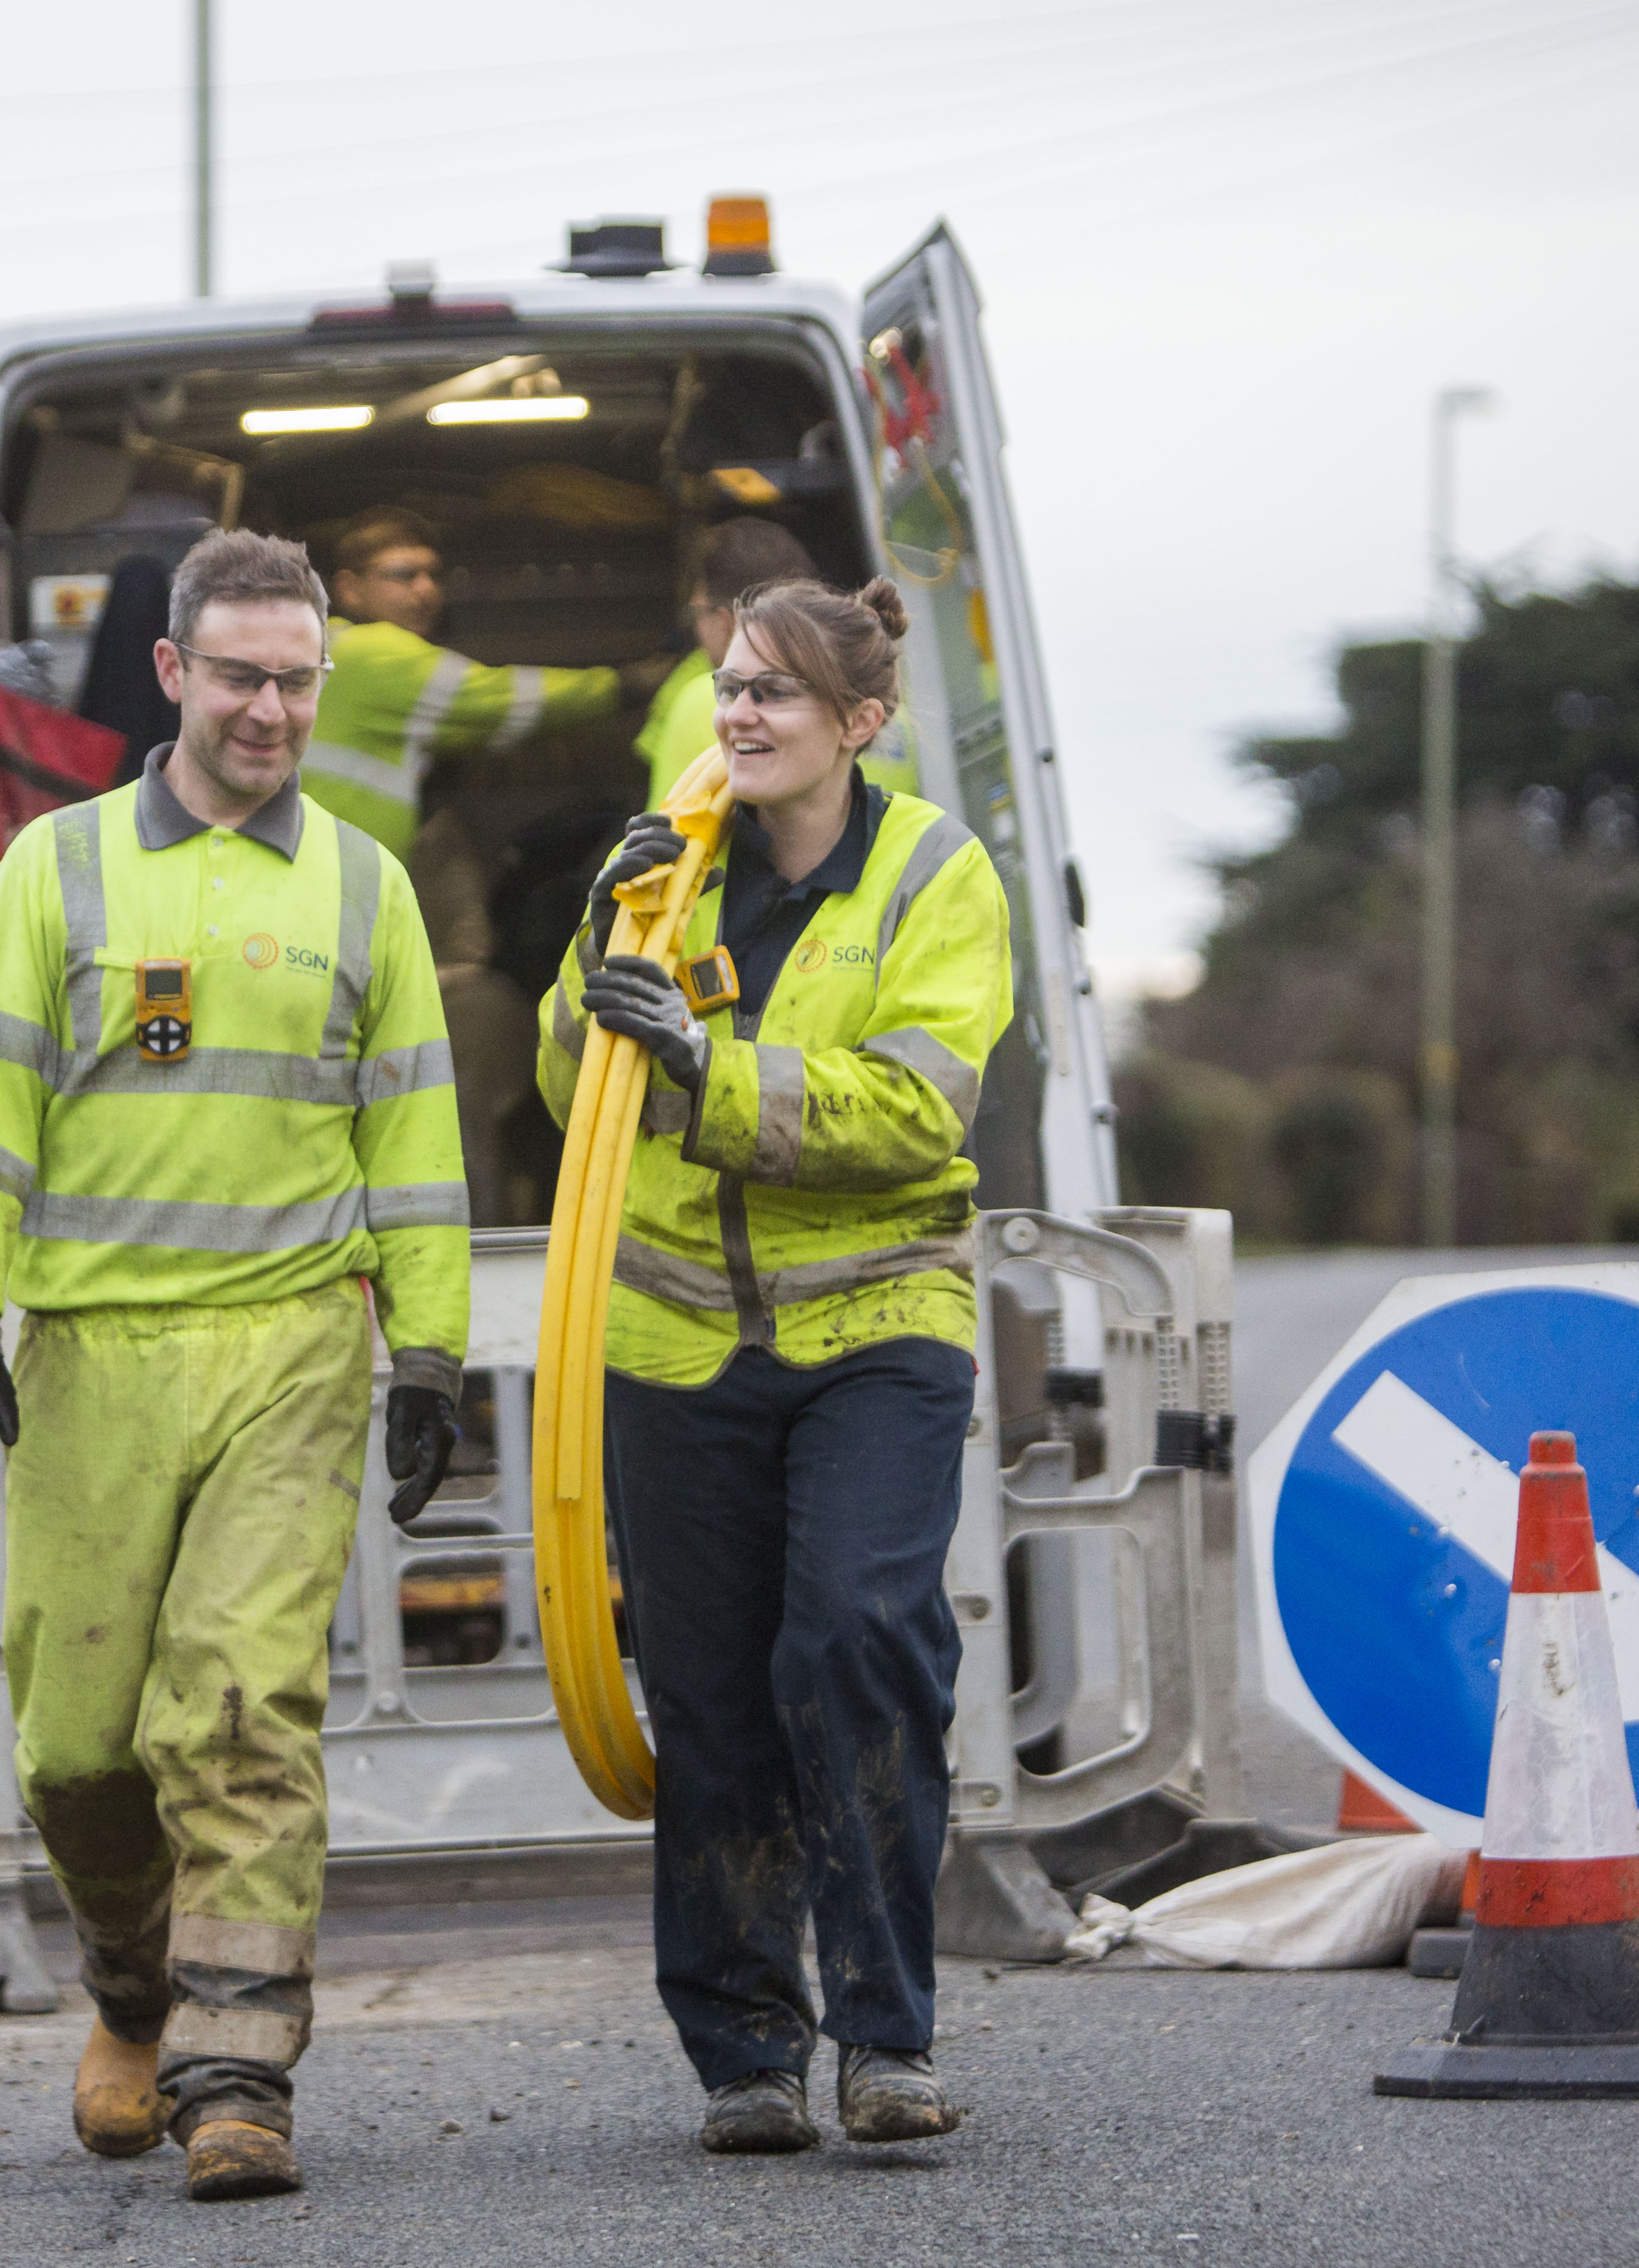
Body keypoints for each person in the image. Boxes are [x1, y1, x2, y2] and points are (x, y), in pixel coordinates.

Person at [0, 528, 473, 2204]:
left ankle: (239, 2075)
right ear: (170, 673)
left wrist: (427, 1350)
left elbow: (419, 1140)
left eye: (297, 680)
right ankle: (133, 1993)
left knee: (235, 1705)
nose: (272, 710)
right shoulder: (57, 870)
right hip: (92, 1349)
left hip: (293, 1345)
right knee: (79, 1747)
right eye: (240, 676)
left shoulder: (366, 886)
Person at [536, 576, 1009, 2156]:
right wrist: (606, 942)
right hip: (676, 1342)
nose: (737, 714)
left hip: (877, 1331)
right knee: (714, 1692)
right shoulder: (671, 872)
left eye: (777, 695)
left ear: (860, 725)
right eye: (733, 686)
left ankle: (886, 2033)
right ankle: (747, 2051)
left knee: (857, 1635)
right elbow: (566, 1084)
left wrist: (710, 1073)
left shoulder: (938, 879)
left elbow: (915, 1110)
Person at [306, 508, 674, 860]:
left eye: (434, 575)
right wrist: (626, 685)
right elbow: (499, 699)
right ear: (349, 589)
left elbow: (469, 730)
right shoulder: (374, 653)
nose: (426, 590)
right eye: (405, 575)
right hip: (336, 876)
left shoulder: (330, 648)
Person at [634, 517, 816, 808]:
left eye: (699, 614)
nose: (697, 631)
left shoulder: (700, 700)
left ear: (727, 621)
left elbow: (666, 834)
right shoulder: (874, 701)